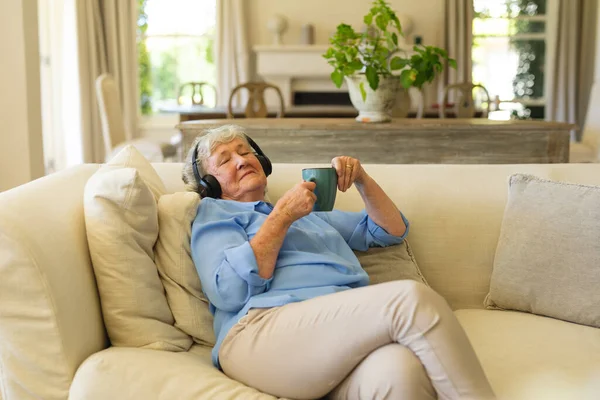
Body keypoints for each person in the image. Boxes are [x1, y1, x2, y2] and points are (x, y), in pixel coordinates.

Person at [182, 124, 496, 400]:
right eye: (225, 159)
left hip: (330, 337)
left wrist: (362, 179)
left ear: (262, 161)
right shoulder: (215, 215)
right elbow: (228, 291)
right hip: (258, 334)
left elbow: (390, 230)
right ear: (208, 184)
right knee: (410, 299)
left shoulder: (310, 214)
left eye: (245, 152)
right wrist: (281, 217)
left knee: (400, 371)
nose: (240, 160)